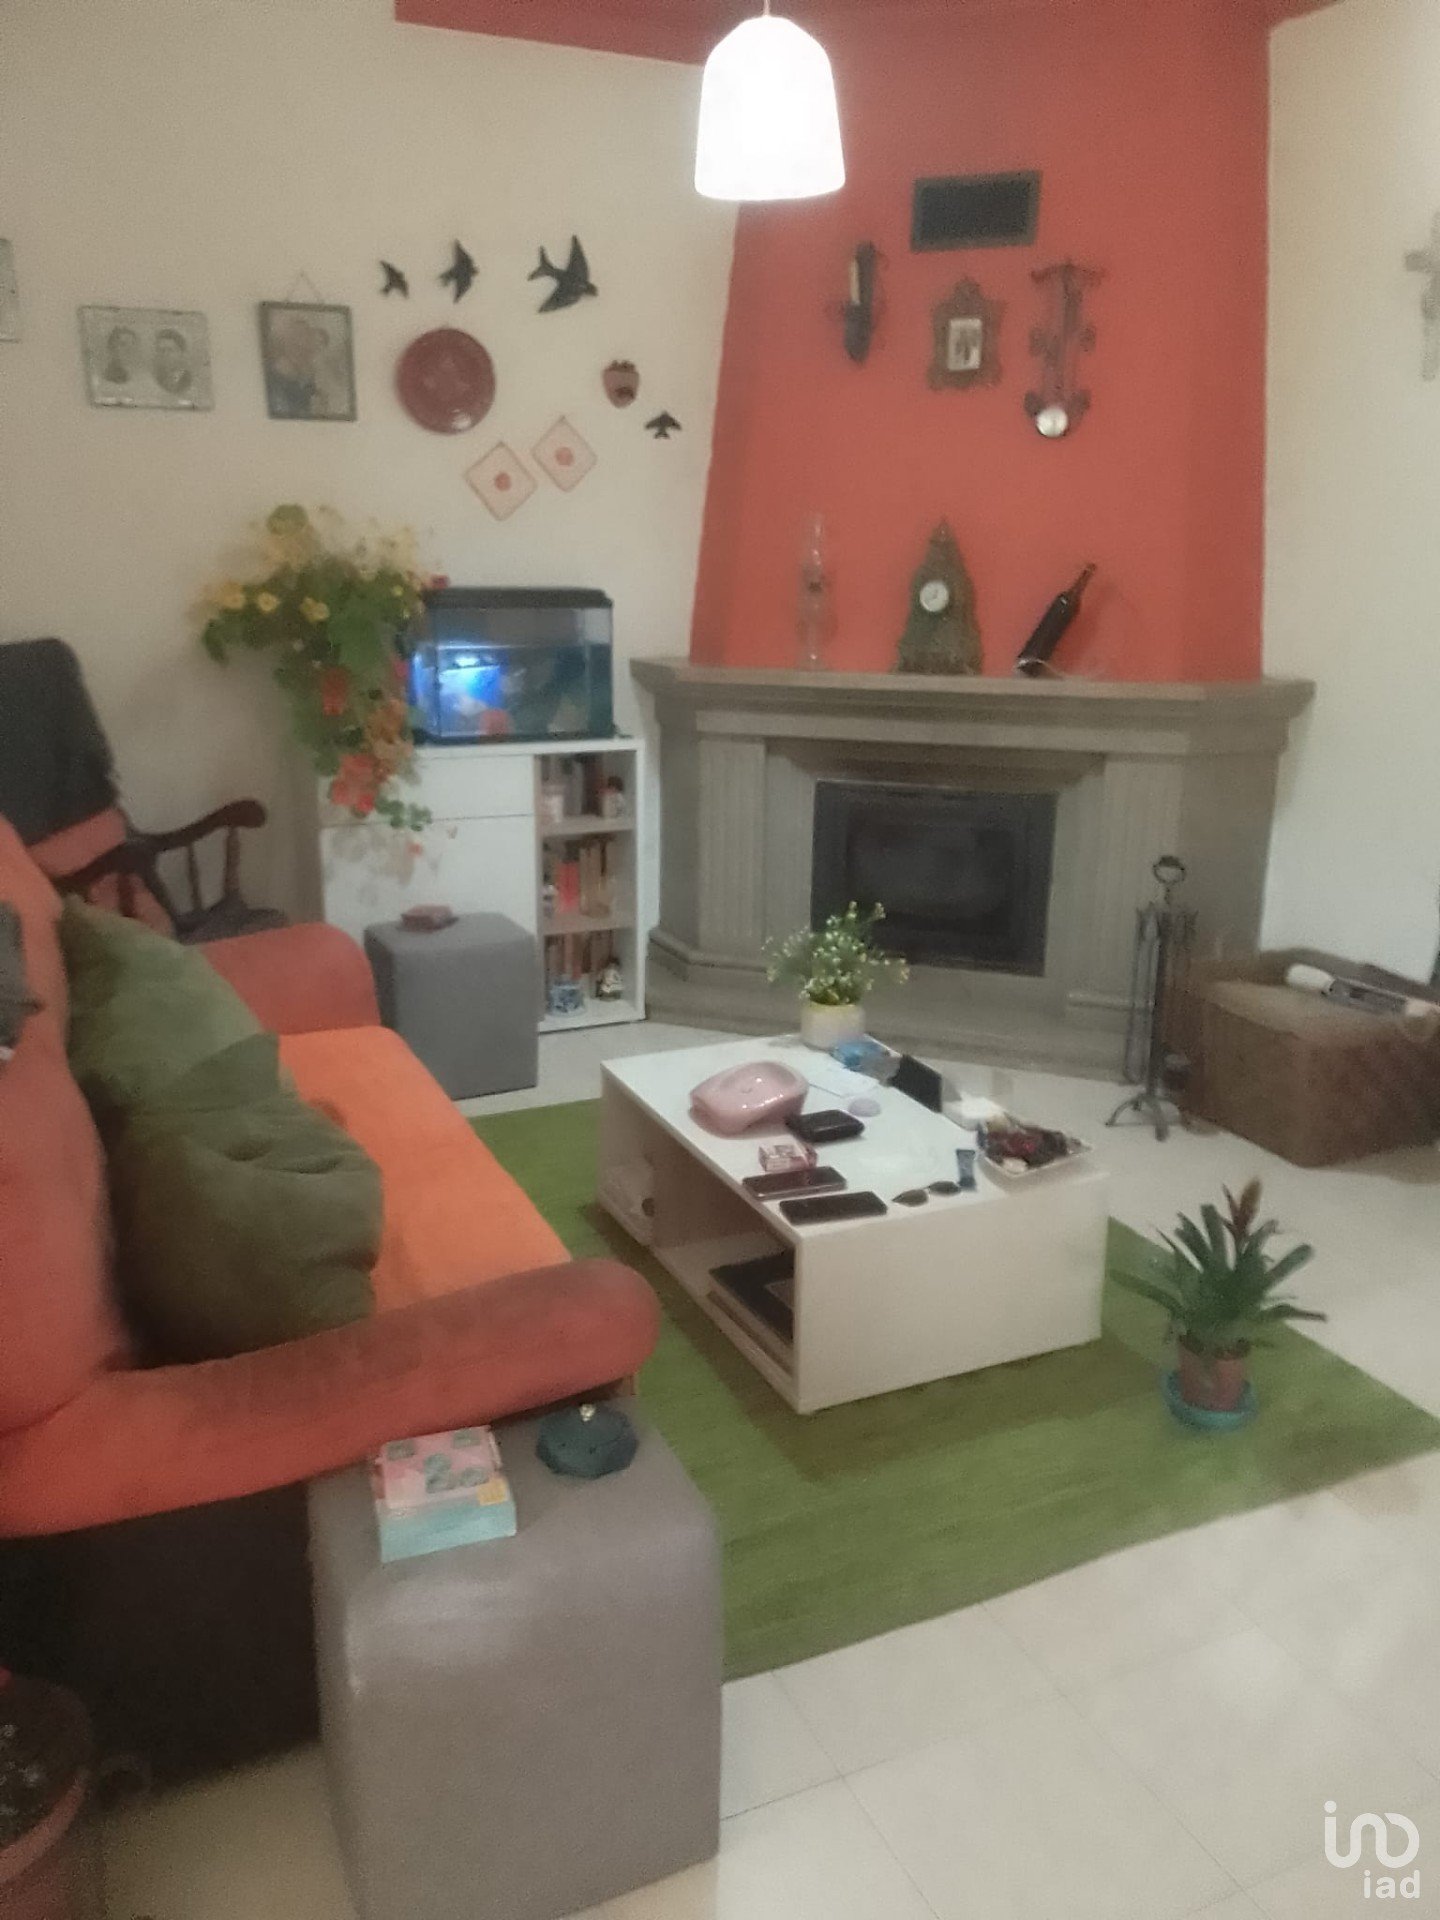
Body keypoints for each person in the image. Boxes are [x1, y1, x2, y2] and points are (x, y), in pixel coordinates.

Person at [151, 327, 194, 397]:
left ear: (181, 353)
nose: (165, 354)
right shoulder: (157, 378)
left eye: (170, 350)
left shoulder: (189, 380)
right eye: (161, 350)